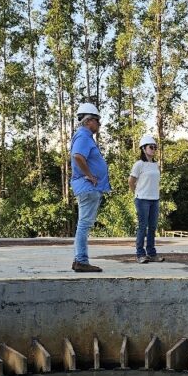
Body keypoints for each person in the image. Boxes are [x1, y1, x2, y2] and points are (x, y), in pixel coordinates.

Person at [70, 102, 111, 273]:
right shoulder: (83, 136)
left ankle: (78, 259)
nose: (99, 124)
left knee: (83, 224)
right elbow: (78, 156)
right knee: (84, 225)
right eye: (97, 120)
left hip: (88, 188)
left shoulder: (84, 137)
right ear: (88, 121)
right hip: (88, 187)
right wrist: (90, 175)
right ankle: (81, 260)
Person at [129, 134, 163, 264]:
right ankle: (140, 254)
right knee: (142, 227)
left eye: (155, 147)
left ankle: (152, 253)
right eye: (151, 147)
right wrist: (136, 193)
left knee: (153, 227)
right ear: (143, 148)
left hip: (155, 199)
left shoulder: (156, 165)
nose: (154, 149)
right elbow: (131, 181)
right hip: (142, 199)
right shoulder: (139, 164)